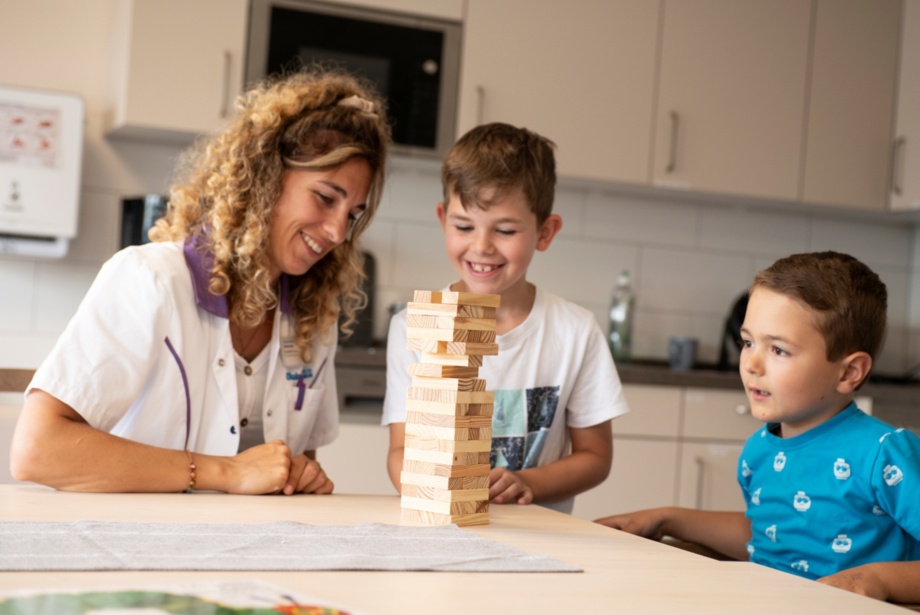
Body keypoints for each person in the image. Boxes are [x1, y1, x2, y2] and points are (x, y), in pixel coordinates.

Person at [10, 68, 391, 496]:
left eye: (353, 214)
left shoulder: (313, 315)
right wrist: (225, 472)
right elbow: (36, 450)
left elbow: (294, 458)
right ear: (267, 177)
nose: (338, 232)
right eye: (325, 197)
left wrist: (299, 472)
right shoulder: (151, 279)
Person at [595, 251, 920, 604]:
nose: (750, 363)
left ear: (848, 372)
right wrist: (665, 518)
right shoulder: (758, 452)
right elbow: (769, 534)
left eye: (778, 350)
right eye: (748, 342)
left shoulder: (884, 454)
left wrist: (878, 578)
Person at [382, 122, 629, 513]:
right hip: (447, 533)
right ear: (443, 218)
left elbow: (596, 457)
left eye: (506, 230)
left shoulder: (574, 331)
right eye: (464, 226)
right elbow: (401, 449)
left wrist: (526, 482)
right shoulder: (416, 325)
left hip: (544, 541)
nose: (481, 247)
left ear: (545, 233)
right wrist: (425, 485)